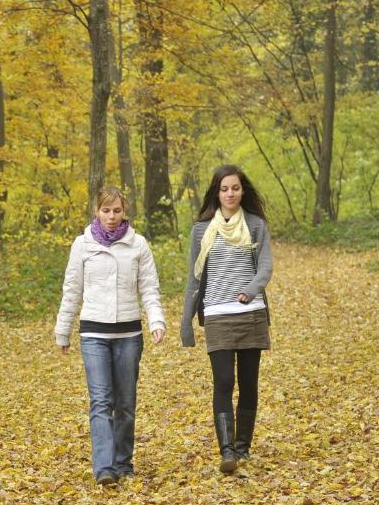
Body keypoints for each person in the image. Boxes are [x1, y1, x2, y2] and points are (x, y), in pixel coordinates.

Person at [54, 187, 166, 486]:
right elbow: (72, 289)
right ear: (97, 211)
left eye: (117, 211)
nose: (112, 217)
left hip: (129, 333)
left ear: (124, 211)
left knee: (125, 402)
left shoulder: (138, 245)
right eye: (106, 211)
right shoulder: (82, 245)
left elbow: (149, 288)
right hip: (93, 333)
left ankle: (123, 462)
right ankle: (104, 467)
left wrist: (156, 320)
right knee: (101, 400)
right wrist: (63, 330)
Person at [181, 164, 272, 475]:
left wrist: (249, 290)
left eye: (235, 188)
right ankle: (227, 451)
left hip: (251, 314)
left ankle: (243, 447)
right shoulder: (200, 230)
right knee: (223, 381)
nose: (230, 193)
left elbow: (265, 268)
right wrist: (186, 322)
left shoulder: (256, 225)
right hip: (217, 313)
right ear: (216, 192)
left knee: (249, 383)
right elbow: (194, 278)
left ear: (242, 190)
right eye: (224, 189)